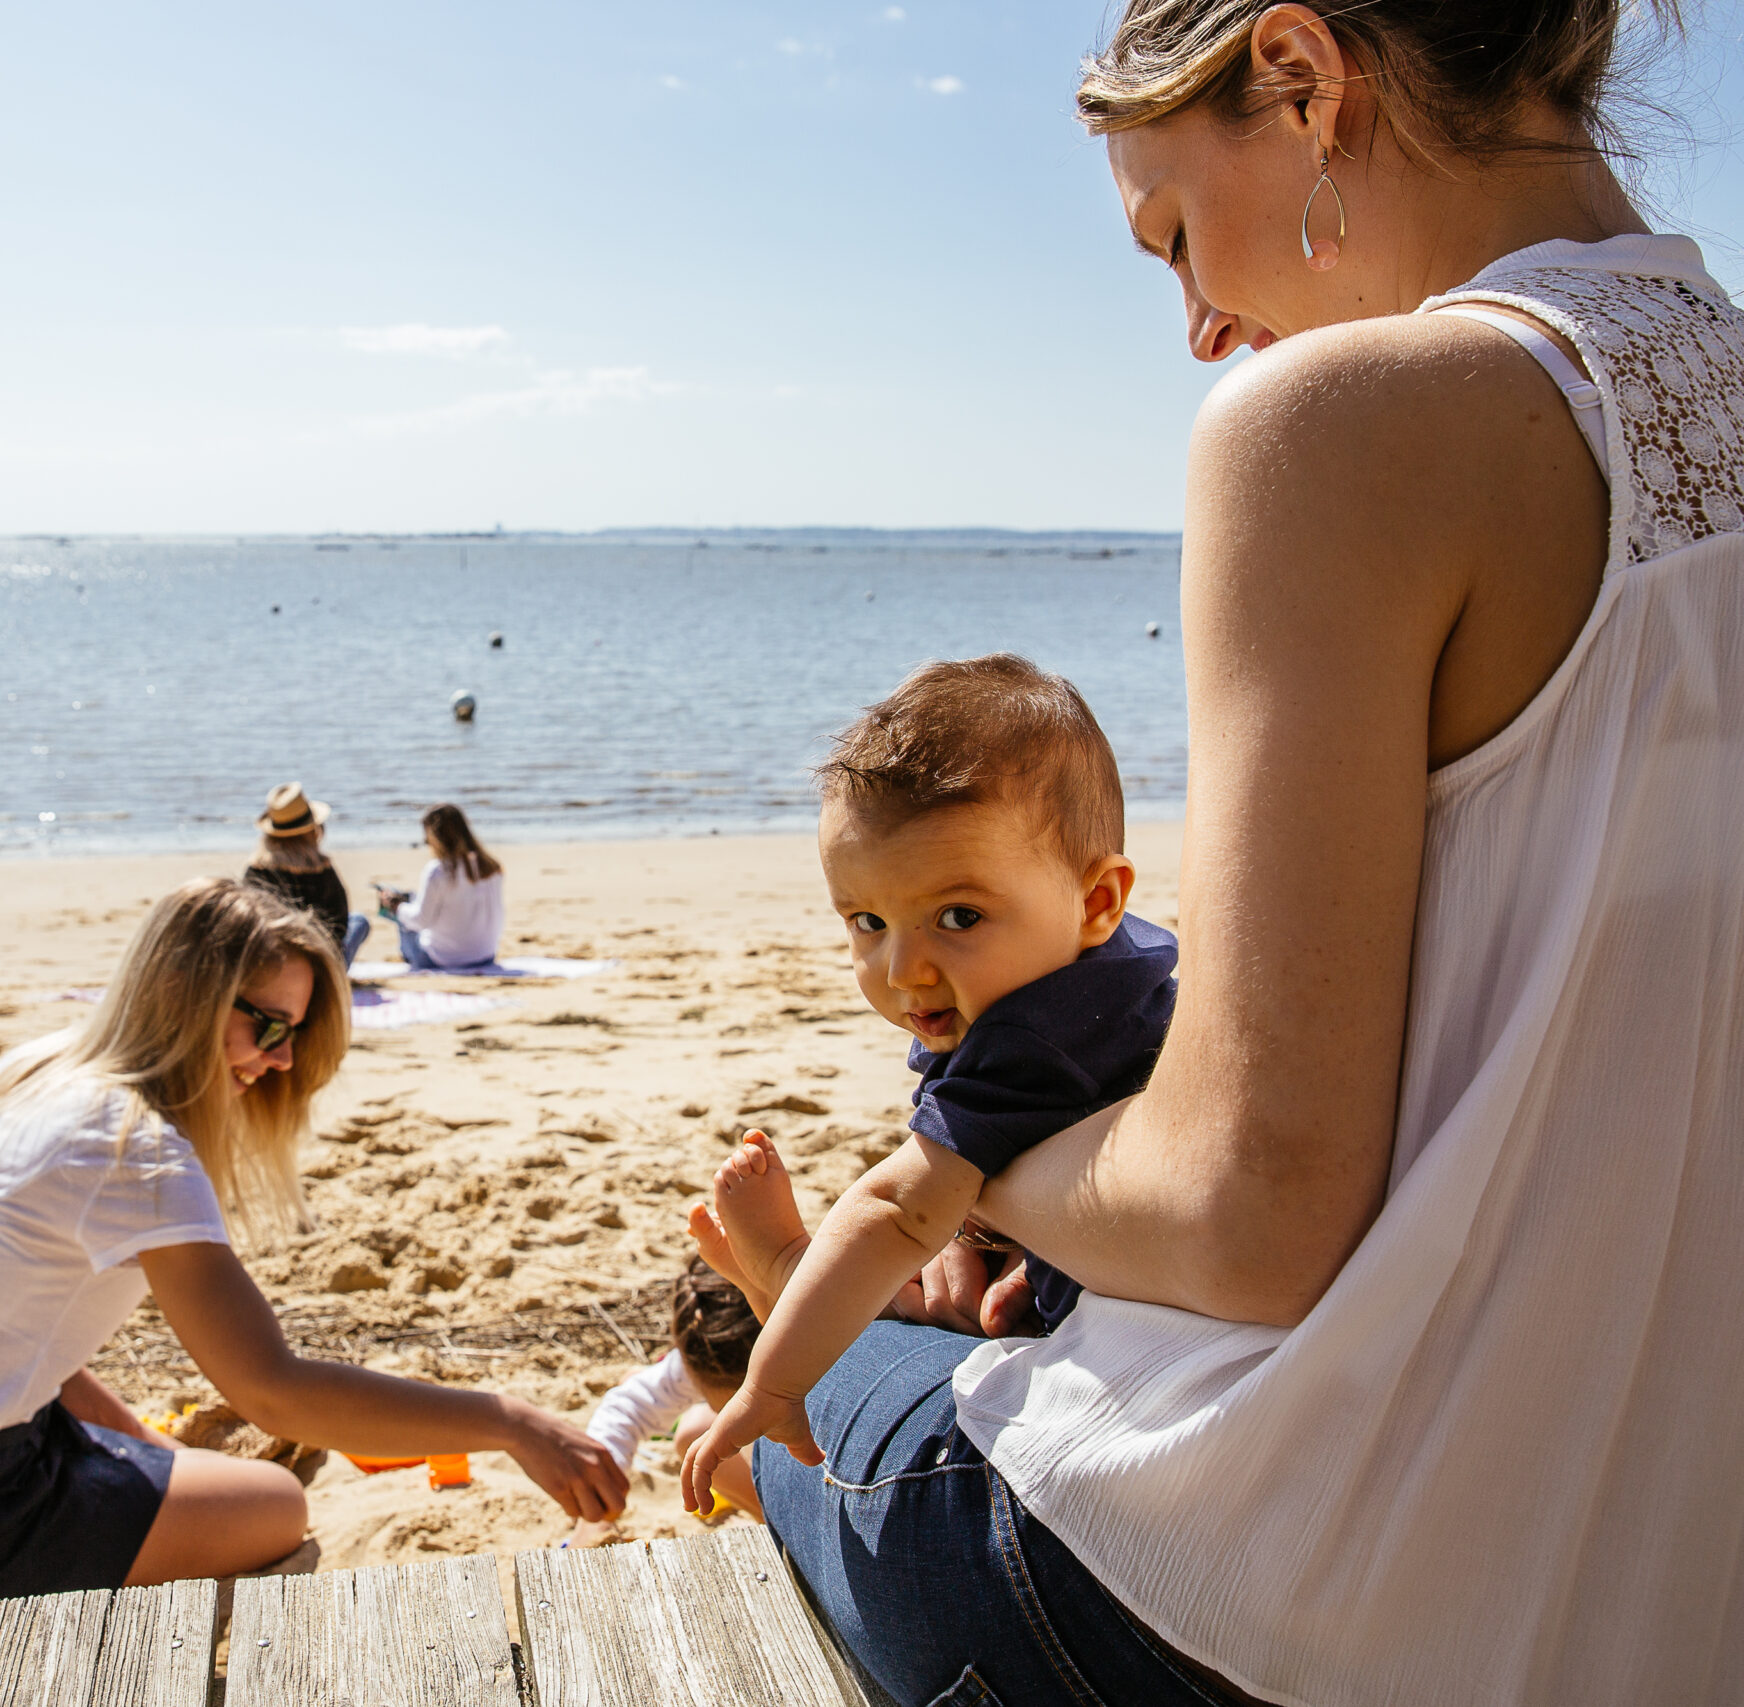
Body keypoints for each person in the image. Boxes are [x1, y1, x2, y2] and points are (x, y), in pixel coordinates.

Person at [701, 5, 1744, 1703]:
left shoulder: (1344, 427)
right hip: (1667, 1608)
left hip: (1271, 1610)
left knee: (799, 1415)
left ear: (1303, 77)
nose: (1195, 324)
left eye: (1175, 229)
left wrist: (978, 1174)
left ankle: (836, 1280)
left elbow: (1254, 1218)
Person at [0, 878, 624, 1607]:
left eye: (294, 1032)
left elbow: (18, 1339)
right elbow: (273, 1388)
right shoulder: (132, 1145)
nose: (281, 1060)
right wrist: (512, 1421)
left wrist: (152, 1449)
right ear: (180, 993)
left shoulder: (36, 1069)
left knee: (212, 1476)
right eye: (268, 1025)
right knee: (278, 1505)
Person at [678, 656, 1177, 1505]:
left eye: (958, 917)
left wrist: (773, 1386)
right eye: (867, 921)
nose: (905, 969)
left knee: (893, 1277)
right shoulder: (1125, 968)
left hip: (1108, 1365)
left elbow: (895, 1210)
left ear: (1097, 899)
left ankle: (791, 1278)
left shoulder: (1028, 1037)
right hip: (1106, 1284)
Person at [565, 1257, 763, 1546]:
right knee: (694, 1431)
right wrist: (599, 1501)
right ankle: (769, 1515)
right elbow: (629, 1404)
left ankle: (782, 1523)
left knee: (699, 1432)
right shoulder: (707, 1349)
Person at [241, 781, 369, 966]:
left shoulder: (256, 871)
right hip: (319, 970)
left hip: (270, 964)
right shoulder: (321, 870)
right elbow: (339, 927)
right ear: (312, 830)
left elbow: (247, 926)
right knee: (359, 921)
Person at [375, 802, 505, 969]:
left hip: (442, 959)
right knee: (415, 900)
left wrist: (396, 907)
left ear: (436, 836)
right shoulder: (491, 867)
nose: (425, 841)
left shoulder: (438, 870)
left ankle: (408, 952)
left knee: (404, 916)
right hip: (485, 955)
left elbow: (420, 921)